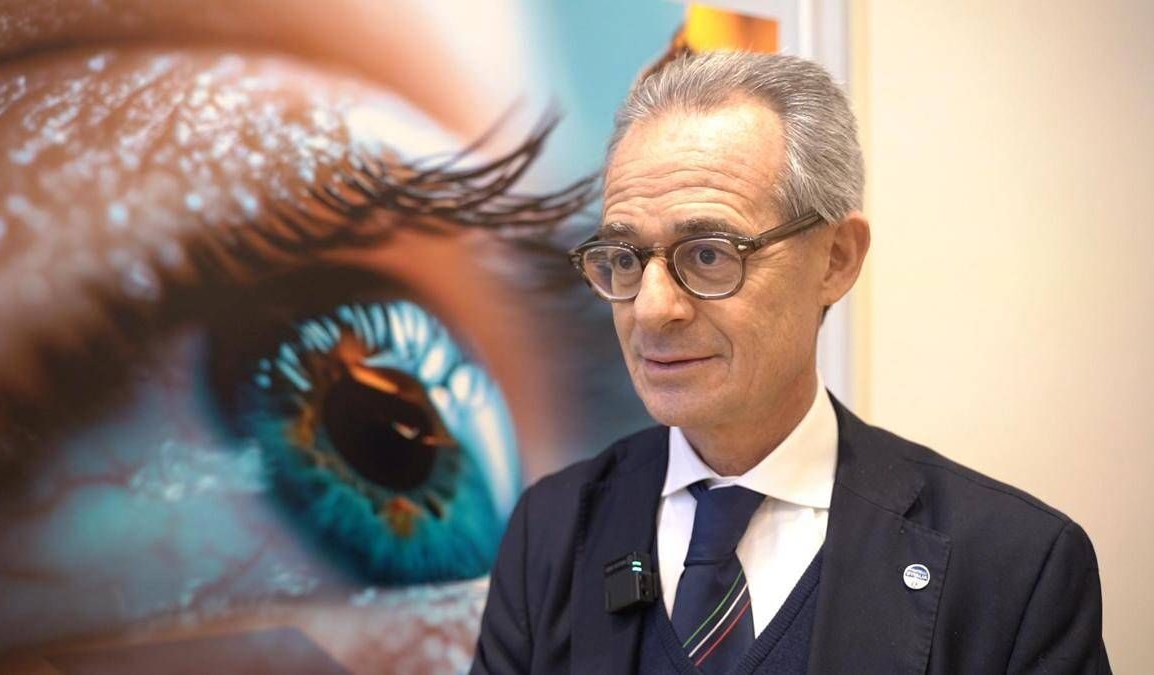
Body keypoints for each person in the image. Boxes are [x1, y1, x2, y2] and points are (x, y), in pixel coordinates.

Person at [472, 51, 1110, 674]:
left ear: (836, 258)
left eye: (709, 254)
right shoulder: (549, 530)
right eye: (623, 258)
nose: (652, 309)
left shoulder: (1012, 566)